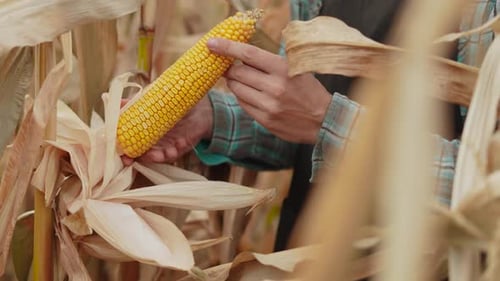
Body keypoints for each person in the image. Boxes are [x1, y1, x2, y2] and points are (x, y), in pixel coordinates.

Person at [124, 0, 496, 251]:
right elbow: (300, 124)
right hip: (305, 253)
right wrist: (210, 117)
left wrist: (327, 121)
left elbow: (488, 193)